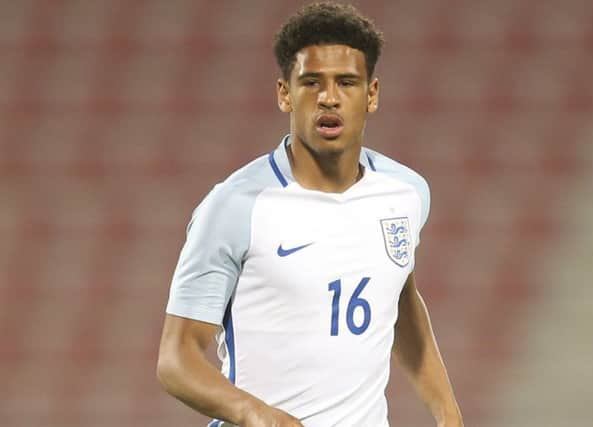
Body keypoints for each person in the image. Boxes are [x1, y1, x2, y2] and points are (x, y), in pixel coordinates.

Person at [157, 2, 463, 426]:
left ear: (371, 94)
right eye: (312, 82)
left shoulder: (405, 193)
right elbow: (176, 358)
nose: (330, 98)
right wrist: (257, 415)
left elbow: (398, 295)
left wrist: (448, 412)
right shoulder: (235, 208)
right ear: (285, 93)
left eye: (347, 82)